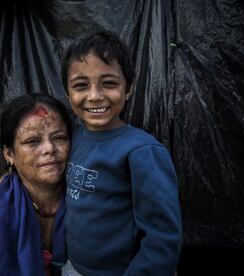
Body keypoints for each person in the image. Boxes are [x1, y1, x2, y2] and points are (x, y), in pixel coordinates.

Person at [61, 31, 183, 275]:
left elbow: (162, 236)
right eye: (81, 85)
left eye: (109, 83)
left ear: (128, 89)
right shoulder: (71, 139)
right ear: (67, 92)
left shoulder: (142, 151)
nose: (94, 96)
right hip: (73, 268)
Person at [0, 94, 72, 276]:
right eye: (32, 141)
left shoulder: (85, 194)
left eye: (60, 137)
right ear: (9, 154)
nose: (49, 148)